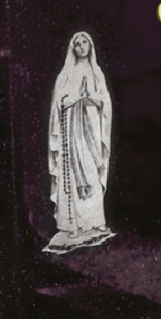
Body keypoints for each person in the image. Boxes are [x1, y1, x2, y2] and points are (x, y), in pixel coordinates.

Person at [44, 30, 114, 253]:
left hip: (89, 133)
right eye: (77, 43)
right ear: (72, 48)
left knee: (91, 172)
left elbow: (105, 102)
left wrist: (90, 98)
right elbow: (58, 103)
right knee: (71, 176)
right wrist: (71, 100)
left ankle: (95, 222)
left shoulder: (96, 72)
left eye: (85, 42)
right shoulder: (66, 74)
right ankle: (71, 226)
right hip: (70, 134)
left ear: (90, 46)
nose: (81, 46)